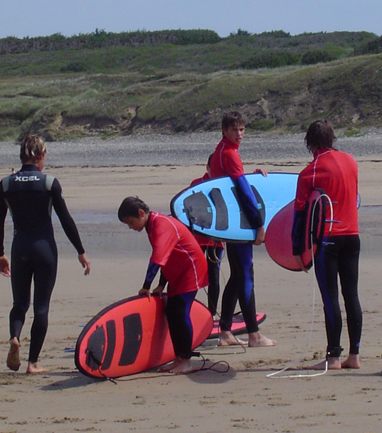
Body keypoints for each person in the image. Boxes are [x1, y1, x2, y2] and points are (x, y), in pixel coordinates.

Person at [0, 135, 91, 374]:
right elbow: (65, 219)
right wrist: (80, 251)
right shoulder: (49, 183)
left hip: (20, 248)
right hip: (45, 249)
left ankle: (15, 338)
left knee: (19, 303)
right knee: (41, 307)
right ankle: (33, 362)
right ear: (40, 156)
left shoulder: (6, 184)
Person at [292, 119, 361, 370]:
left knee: (330, 298)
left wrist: (297, 251)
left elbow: (300, 216)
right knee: (351, 295)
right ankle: (354, 356)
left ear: (309, 143)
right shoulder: (351, 161)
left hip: (328, 240)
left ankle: (333, 358)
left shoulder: (309, 172)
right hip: (353, 237)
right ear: (333, 138)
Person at [118, 196, 209, 374]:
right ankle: (179, 358)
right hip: (176, 273)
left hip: (191, 270)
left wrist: (146, 286)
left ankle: (187, 360)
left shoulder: (161, 225)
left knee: (181, 312)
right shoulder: (151, 225)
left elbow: (156, 260)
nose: (130, 227)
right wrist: (161, 285)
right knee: (171, 312)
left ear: (141, 213)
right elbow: (165, 255)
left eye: (130, 222)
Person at [210, 111, 275, 347]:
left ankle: (226, 331)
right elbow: (244, 194)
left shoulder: (220, 152)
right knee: (246, 274)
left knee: (238, 276)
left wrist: (251, 177)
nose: (240, 134)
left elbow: (234, 184)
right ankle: (254, 335)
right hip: (239, 223)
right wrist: (258, 224)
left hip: (227, 223)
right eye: (235, 130)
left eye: (243, 129)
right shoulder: (229, 153)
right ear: (225, 130)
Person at [189, 155, 224, 318]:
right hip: (198, 239)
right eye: (213, 168)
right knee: (195, 275)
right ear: (207, 167)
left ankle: (211, 313)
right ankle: (189, 310)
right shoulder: (196, 184)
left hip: (216, 241)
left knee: (214, 276)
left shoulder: (223, 185)